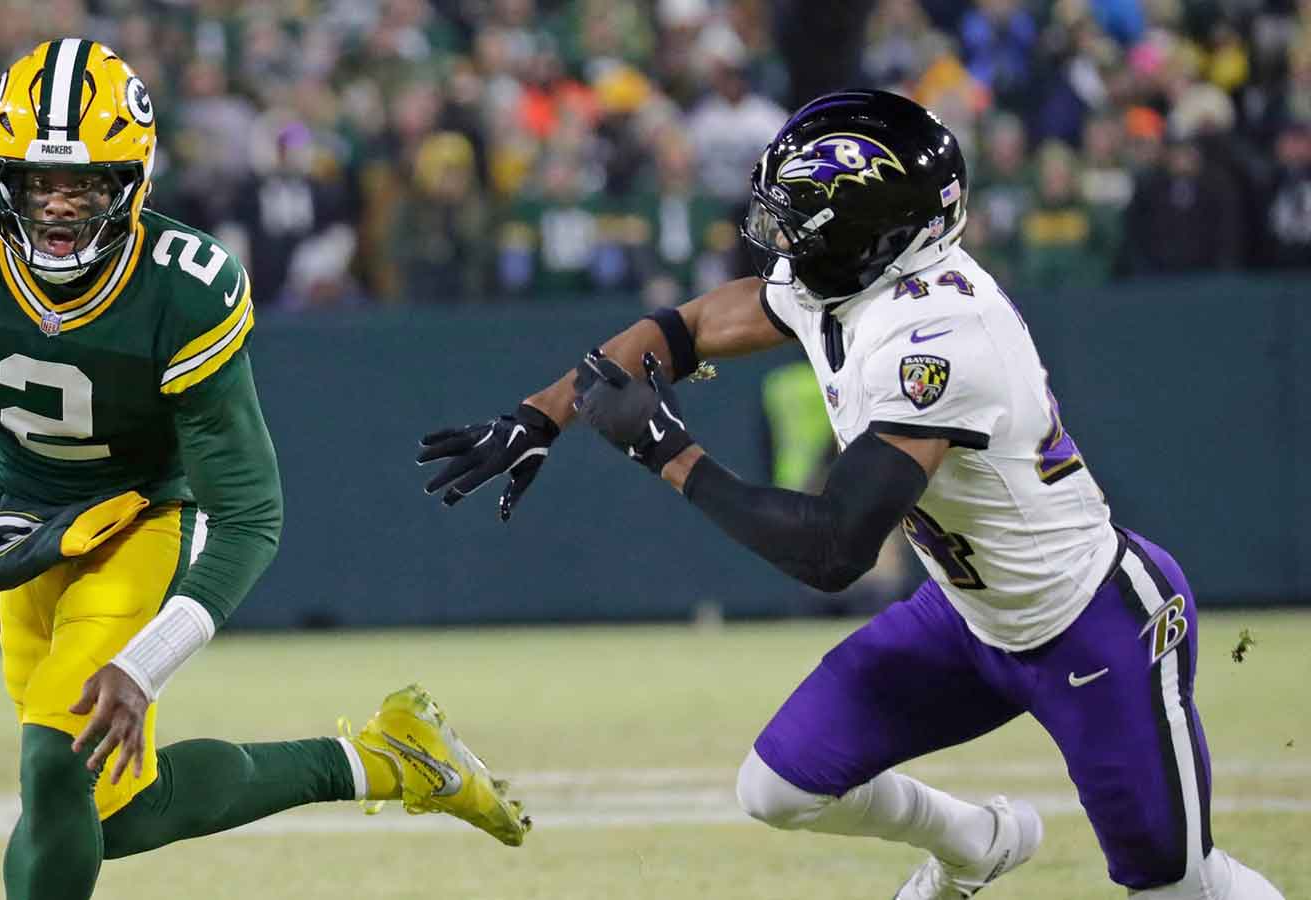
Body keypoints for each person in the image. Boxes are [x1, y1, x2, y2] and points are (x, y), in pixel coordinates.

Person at [418, 90, 1281, 900]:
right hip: (970, 616)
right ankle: (975, 844)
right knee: (778, 787)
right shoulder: (848, 279)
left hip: (1089, 623)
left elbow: (833, 550)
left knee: (1179, 885)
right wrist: (542, 414)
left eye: (799, 225)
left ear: (867, 233)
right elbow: (681, 332)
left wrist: (667, 451)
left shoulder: (940, 337)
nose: (780, 244)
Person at [0, 39, 528, 900]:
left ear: (133, 182)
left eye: (87, 184)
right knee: (101, 813)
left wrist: (148, 661)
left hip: (138, 520)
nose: (61, 209)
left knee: (55, 762)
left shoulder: (184, 286)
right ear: (1, 176)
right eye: (40, 182)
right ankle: (385, 759)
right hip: (18, 528)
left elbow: (251, 514)